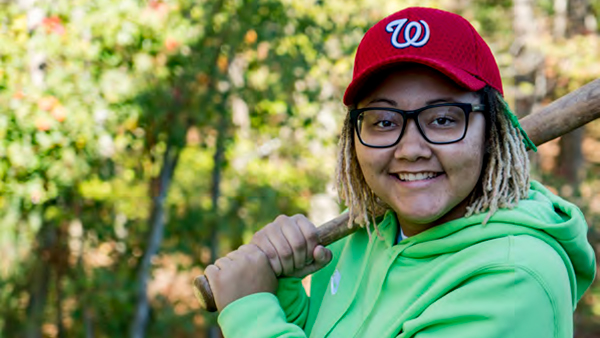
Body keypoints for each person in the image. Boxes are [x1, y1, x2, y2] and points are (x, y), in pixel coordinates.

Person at [203, 7, 596, 337]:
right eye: (384, 121)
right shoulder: (361, 237)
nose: (410, 150)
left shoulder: (514, 279)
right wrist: (281, 291)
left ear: (492, 132)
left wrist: (250, 313)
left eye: (443, 119)